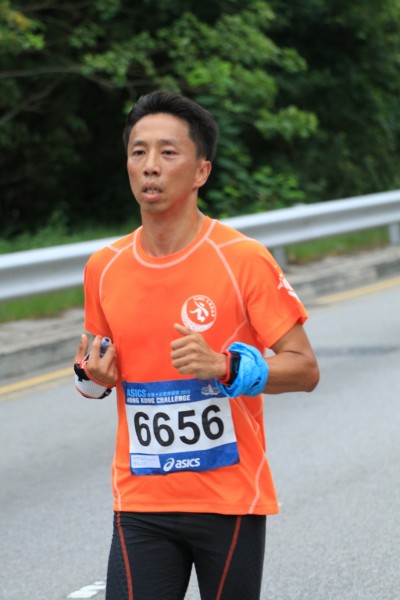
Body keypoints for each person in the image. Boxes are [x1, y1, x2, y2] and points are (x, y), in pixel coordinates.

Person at [74, 90, 319, 600]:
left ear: (201, 171)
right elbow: (94, 372)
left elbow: (304, 368)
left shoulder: (242, 258)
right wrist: (93, 378)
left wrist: (226, 367)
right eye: (138, 152)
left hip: (227, 499)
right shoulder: (105, 267)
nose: (150, 166)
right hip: (142, 500)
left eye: (168, 152)